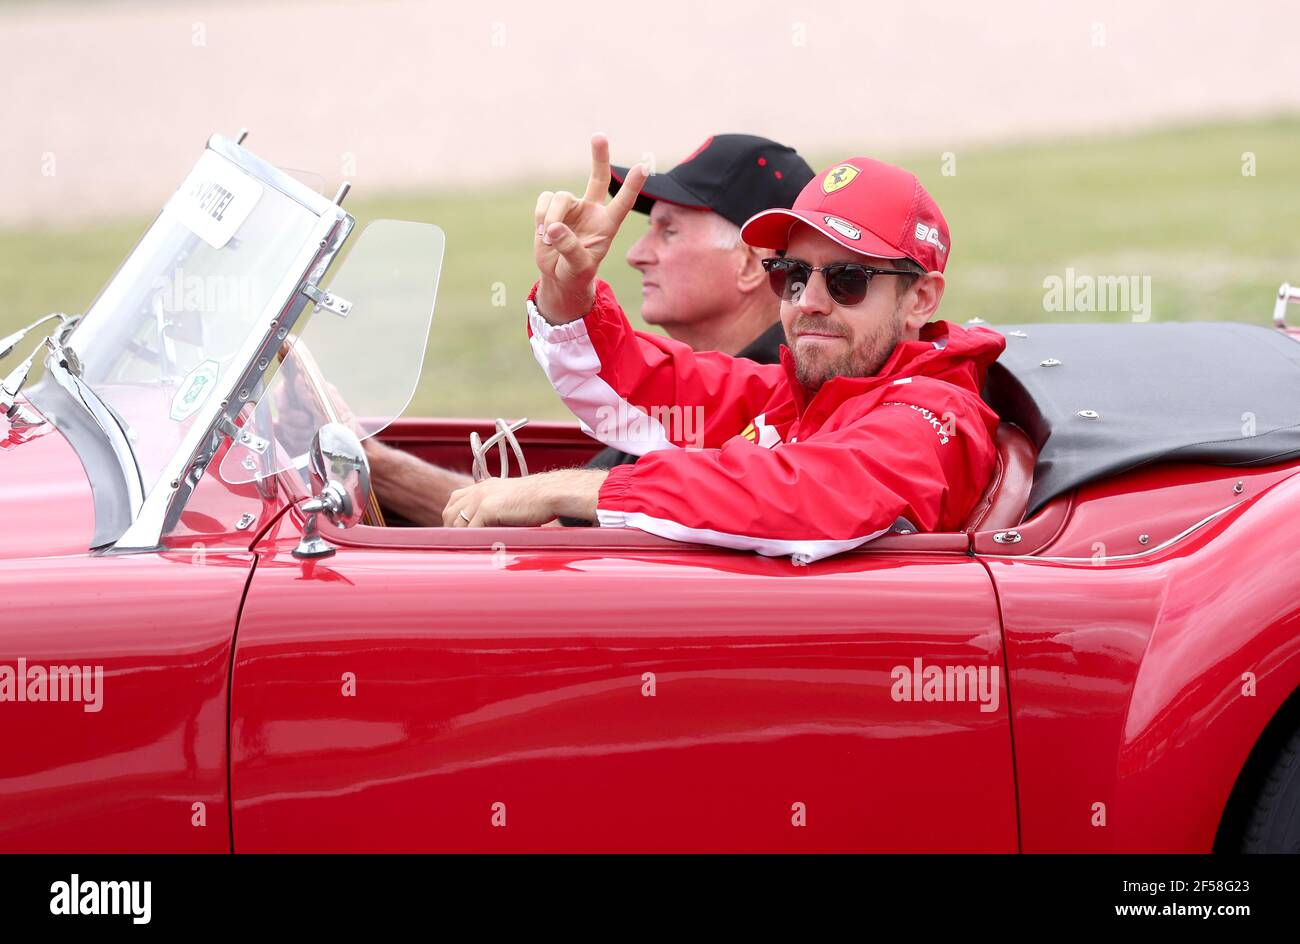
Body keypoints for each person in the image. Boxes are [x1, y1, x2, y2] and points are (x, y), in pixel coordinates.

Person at [441, 135, 1006, 564]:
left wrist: (569, 488)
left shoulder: (932, 414)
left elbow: (802, 495)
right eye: (789, 273)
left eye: (846, 280)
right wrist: (571, 290)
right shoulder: (811, 391)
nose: (808, 300)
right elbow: (650, 385)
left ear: (920, 300)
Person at [363, 134, 813, 523]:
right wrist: (567, 291)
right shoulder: (704, 394)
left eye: (668, 231)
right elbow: (527, 516)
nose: (637, 253)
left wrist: (376, 468)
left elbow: (544, 538)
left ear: (752, 264)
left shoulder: (771, 411)